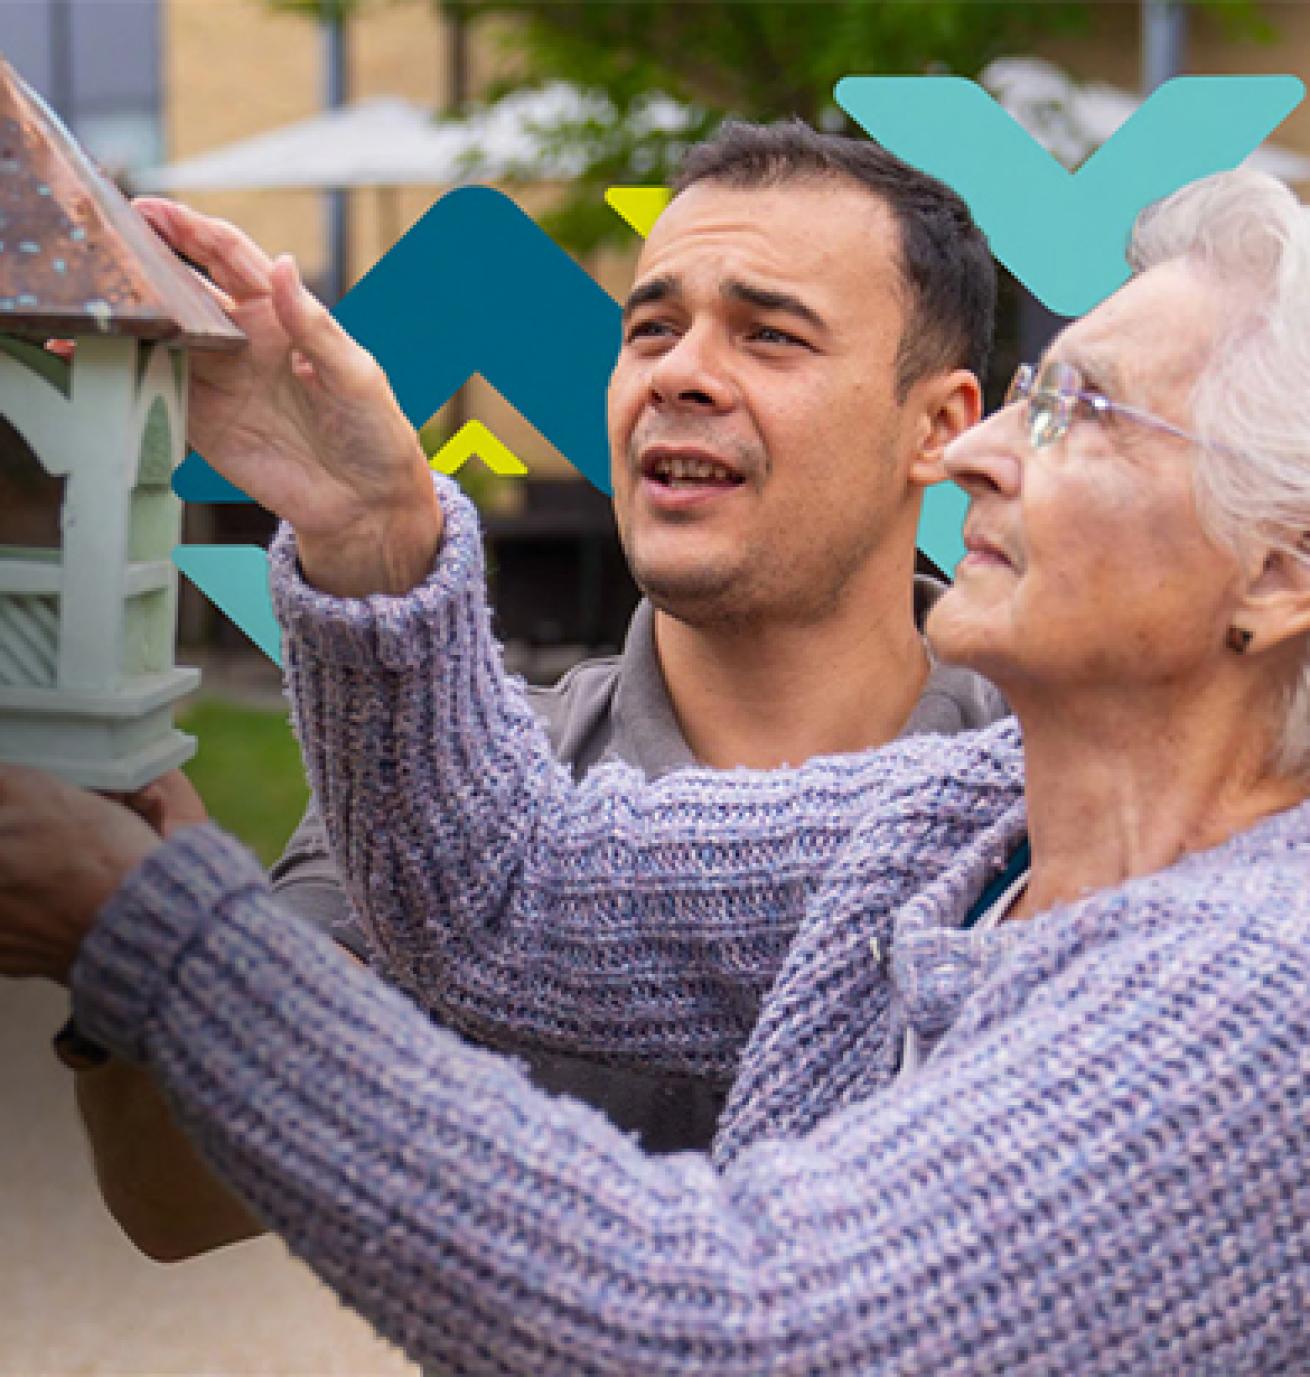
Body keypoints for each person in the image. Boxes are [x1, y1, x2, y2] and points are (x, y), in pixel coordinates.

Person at [3, 164, 1309, 1370]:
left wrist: (157, 935)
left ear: (1276, 568)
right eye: (651, 325)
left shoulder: (1258, 996)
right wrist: (369, 519)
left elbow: (729, 1331)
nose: (985, 460)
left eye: (1079, 413)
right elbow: (504, 893)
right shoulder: (972, 822)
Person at [69, 120, 1006, 1263]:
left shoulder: (1058, 779)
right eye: (650, 327)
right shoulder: (440, 776)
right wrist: (133, 915)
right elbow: (179, 1194)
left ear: (940, 426)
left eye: (769, 335)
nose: (678, 373)